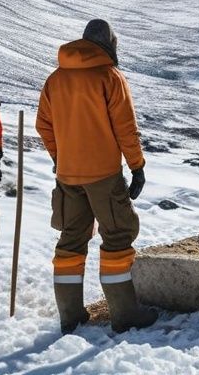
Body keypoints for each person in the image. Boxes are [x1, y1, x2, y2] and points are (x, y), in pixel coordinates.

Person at [36, 19, 156, 333]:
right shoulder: (110, 77)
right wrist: (137, 166)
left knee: (70, 241)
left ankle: (70, 316)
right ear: (108, 43)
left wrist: (60, 158)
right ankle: (125, 314)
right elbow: (125, 128)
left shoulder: (55, 79)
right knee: (117, 236)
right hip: (103, 174)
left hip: (67, 177)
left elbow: (43, 126)